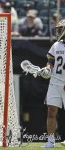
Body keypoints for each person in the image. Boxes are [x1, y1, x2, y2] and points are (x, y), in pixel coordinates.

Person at [37, 19, 65, 148]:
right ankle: (51, 141)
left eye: (60, 29)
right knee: (51, 111)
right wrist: (47, 68)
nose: (58, 31)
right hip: (55, 82)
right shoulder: (56, 45)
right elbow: (51, 61)